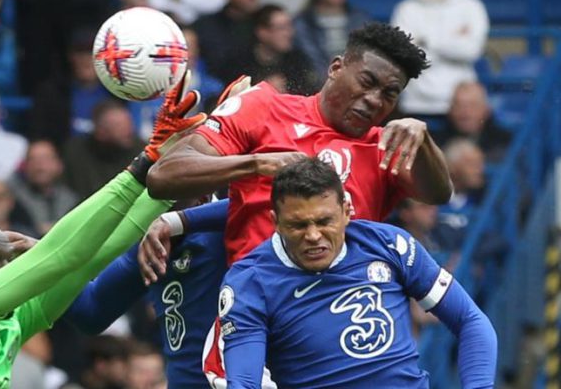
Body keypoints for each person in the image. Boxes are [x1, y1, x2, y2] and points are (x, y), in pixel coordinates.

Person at [0, 75, 205, 387]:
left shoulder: (11, 320)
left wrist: (167, 181)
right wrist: (144, 163)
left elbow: (88, 259)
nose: (7, 268)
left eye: (6, 259)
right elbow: (61, 255)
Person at [147, 23, 452, 265]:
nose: (374, 100)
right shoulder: (263, 107)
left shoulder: (384, 147)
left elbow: (438, 193)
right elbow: (163, 177)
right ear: (335, 68)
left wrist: (423, 139)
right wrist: (256, 164)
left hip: (342, 315)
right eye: (367, 81)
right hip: (259, 308)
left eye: (389, 93)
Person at [219, 158, 497, 388]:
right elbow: (244, 382)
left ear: (346, 212)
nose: (314, 235)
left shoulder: (389, 245)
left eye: (324, 221)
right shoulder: (250, 282)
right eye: (298, 225)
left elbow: (470, 321)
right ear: (275, 222)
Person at [65, 198, 227, 388]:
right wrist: (48, 265)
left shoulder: (232, 227)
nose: (150, 211)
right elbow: (92, 310)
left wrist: (176, 221)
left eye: (166, 198)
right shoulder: (149, 246)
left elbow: (259, 199)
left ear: (202, 199)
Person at [391, 0, 489, 124]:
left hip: (460, 108)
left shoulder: (471, 5)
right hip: (416, 103)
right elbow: (405, 54)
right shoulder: (406, 8)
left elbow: (471, 50)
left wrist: (425, 41)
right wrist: (454, 41)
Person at [220, 4, 319, 95]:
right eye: (281, 28)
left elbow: (309, 93)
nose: (289, 33)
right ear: (262, 32)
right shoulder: (240, 62)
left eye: (289, 26)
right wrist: (261, 89)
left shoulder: (297, 60)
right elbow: (229, 97)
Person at [63, 100, 144, 199]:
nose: (128, 130)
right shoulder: (76, 152)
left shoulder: (141, 151)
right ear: (101, 132)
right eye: (119, 126)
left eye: (129, 123)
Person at [8, 140, 79, 235]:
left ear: (59, 165)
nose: (40, 166)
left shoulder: (71, 199)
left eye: (46, 159)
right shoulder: (12, 199)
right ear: (24, 166)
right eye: (33, 159)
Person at [293, 0, 370, 83]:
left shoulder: (360, 17)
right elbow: (311, 61)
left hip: (355, 79)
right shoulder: (302, 24)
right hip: (320, 83)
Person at [432, 81, 512, 162]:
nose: (465, 113)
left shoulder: (504, 142)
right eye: (459, 106)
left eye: (472, 106)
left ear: (486, 110)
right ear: (450, 110)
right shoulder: (435, 144)